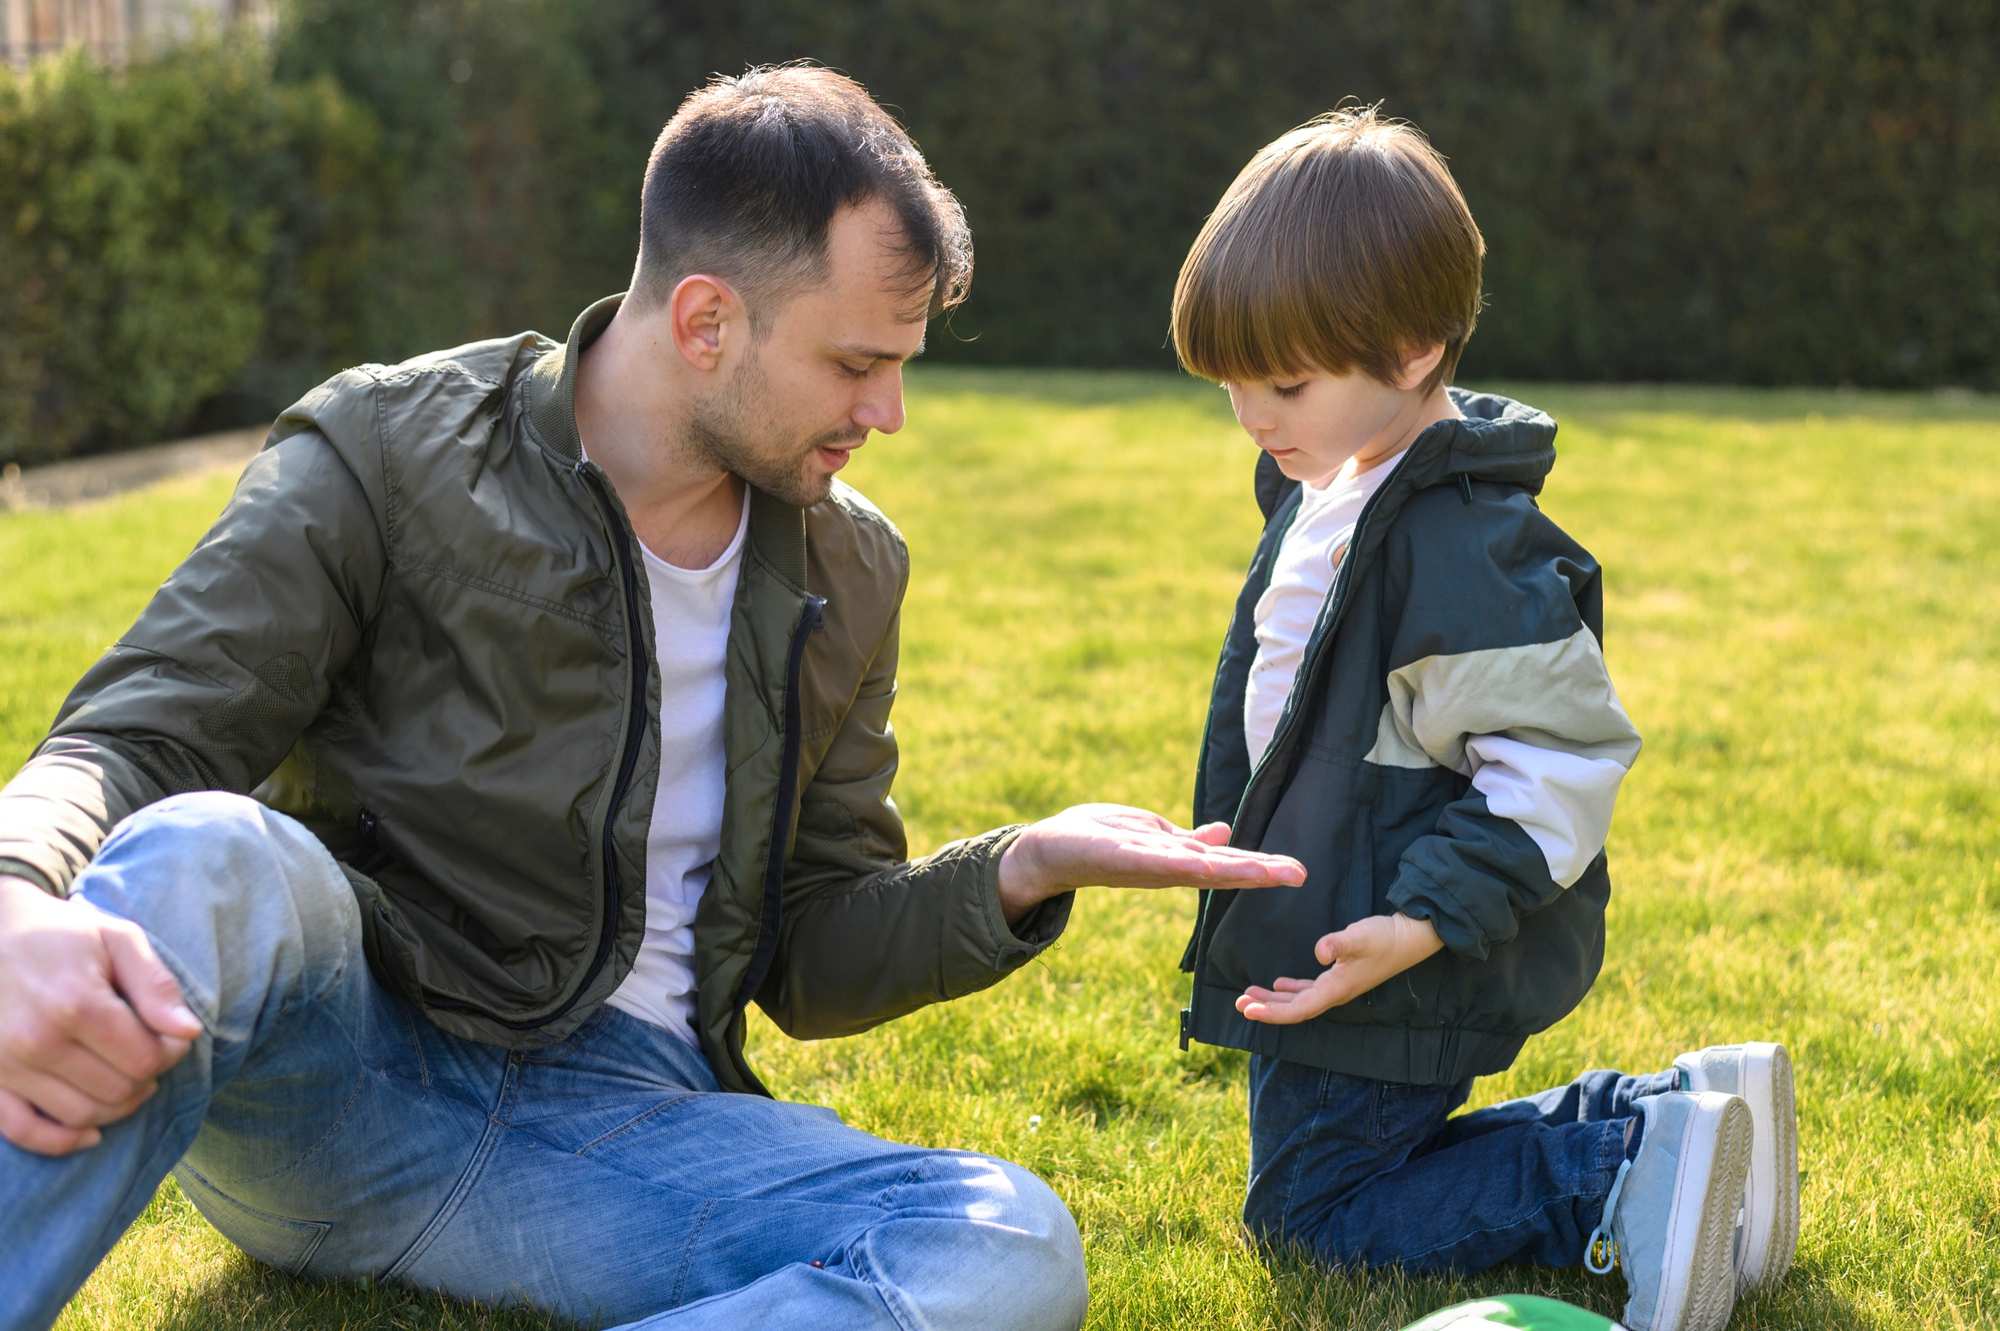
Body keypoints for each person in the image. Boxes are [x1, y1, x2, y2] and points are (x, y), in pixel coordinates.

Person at [0, 65, 1305, 1331]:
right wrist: (13, 888)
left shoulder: (849, 565)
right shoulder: (390, 452)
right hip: (342, 1076)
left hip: (625, 1138)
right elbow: (139, 729)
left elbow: (809, 938)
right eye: (858, 362)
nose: (891, 410)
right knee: (209, 847)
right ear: (704, 322)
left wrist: (1018, 867)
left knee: (1002, 1237)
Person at [1166, 107, 1799, 1331]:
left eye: (1283, 381)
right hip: (1337, 921)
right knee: (1331, 1180)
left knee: (1314, 1213)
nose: (1249, 412)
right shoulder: (1336, 488)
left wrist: (1413, 924)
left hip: (1393, 947)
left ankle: (1613, 1174)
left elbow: (1555, 766)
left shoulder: (1457, 544)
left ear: (1409, 352)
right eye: (1231, 382)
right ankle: (1688, 1111)